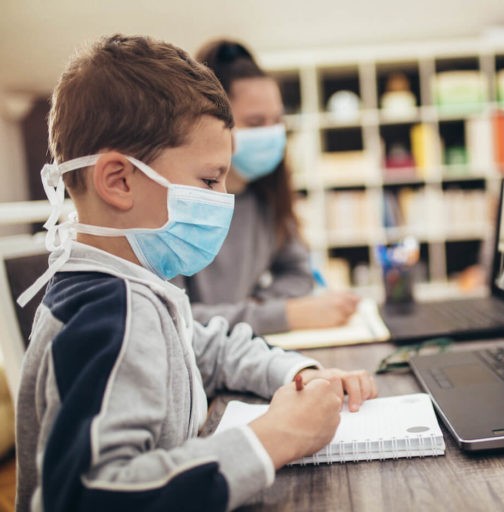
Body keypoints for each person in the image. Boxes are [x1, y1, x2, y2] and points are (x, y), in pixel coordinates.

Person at [15, 35, 376, 512]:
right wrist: (276, 436)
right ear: (119, 180)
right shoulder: (107, 314)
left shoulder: (134, 289)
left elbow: (205, 345)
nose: (223, 198)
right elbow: (89, 496)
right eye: (209, 180)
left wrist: (297, 371)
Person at [180, 39, 358, 334]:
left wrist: (260, 308)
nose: (272, 133)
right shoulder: (178, 206)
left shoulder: (266, 196)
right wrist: (285, 314)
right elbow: (175, 319)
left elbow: (299, 275)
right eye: (255, 122)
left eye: (277, 120)